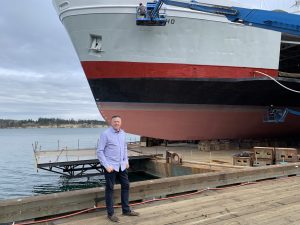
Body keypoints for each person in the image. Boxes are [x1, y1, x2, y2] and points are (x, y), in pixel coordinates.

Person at [97, 115, 139, 223]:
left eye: (118, 122)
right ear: (111, 122)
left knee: (126, 185)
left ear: (121, 123)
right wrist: (106, 166)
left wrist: (126, 161)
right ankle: (110, 214)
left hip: (121, 165)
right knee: (110, 189)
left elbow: (124, 148)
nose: (117, 123)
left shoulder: (123, 133)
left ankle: (126, 210)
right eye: (115, 121)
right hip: (111, 167)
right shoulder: (105, 134)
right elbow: (100, 151)